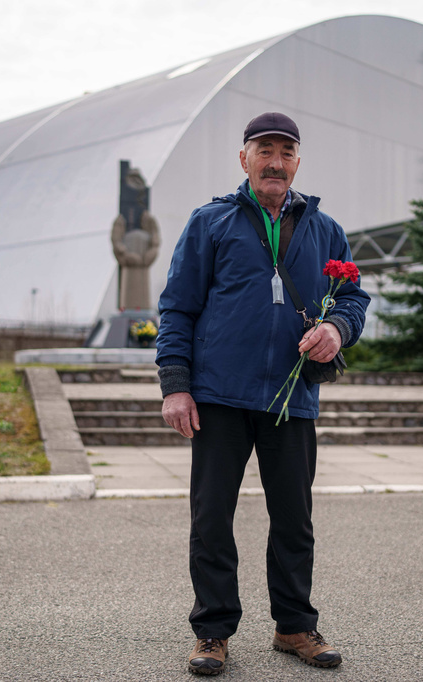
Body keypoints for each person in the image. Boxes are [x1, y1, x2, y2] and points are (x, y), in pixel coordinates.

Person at [155, 112, 370, 675]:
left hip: (290, 396)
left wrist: (336, 329)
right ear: (243, 158)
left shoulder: (326, 229)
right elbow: (177, 307)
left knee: (294, 519)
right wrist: (176, 386)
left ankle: (294, 626)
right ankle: (212, 632)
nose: (275, 162)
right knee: (212, 518)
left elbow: (352, 300)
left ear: (298, 162)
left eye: (286, 152)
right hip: (219, 396)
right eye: (264, 150)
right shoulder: (211, 222)